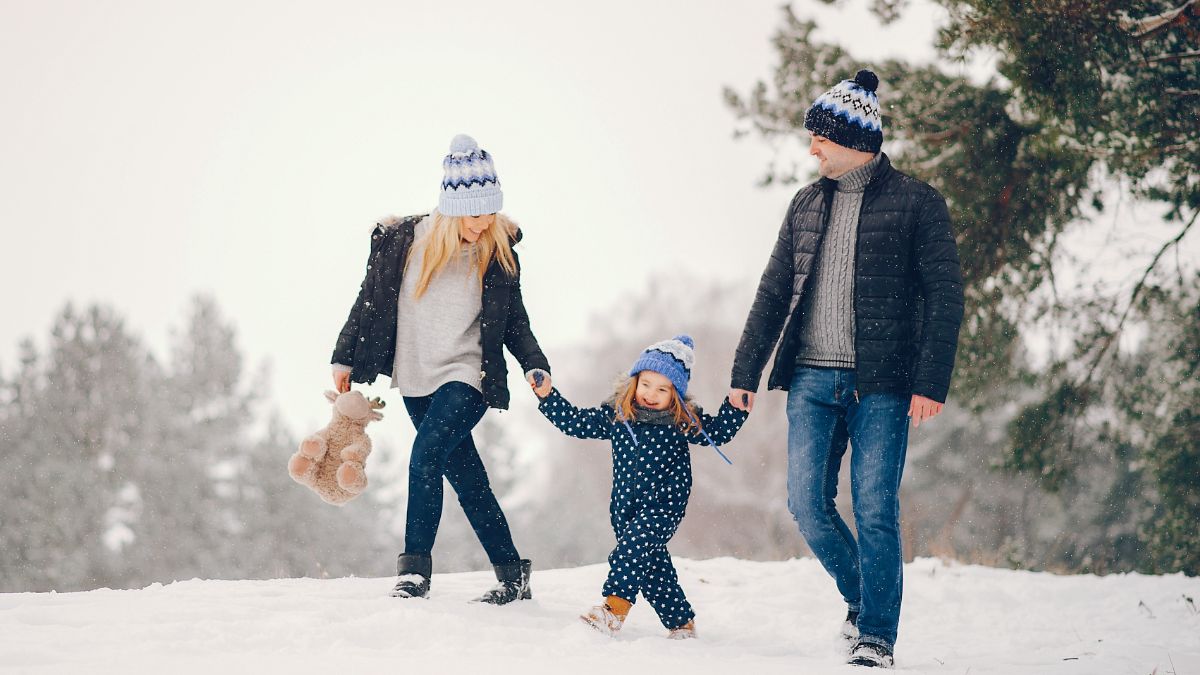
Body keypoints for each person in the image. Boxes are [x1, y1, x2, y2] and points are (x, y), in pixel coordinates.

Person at [728, 70, 965, 668]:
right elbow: (774, 289)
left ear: (852, 139)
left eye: (818, 139)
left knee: (875, 509)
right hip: (811, 379)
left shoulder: (917, 202)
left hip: (881, 384)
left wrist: (930, 382)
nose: (811, 149)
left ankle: (877, 635)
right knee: (806, 504)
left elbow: (945, 295)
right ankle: (863, 598)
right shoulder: (806, 203)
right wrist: (744, 373)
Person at [330, 134, 553, 604]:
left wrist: (535, 364)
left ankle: (414, 571)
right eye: (475, 214)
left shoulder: (498, 250)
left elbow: (516, 322)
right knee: (467, 477)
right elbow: (366, 303)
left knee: (425, 456)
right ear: (451, 209)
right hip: (415, 378)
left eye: (491, 211)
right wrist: (343, 355)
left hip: (467, 374)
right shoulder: (402, 244)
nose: (484, 222)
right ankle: (513, 575)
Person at [531, 335, 748, 639]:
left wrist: (736, 407)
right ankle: (681, 623)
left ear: (675, 393)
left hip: (665, 504)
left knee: (632, 551)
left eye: (662, 389)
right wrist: (547, 395)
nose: (651, 393)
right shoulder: (618, 416)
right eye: (646, 384)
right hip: (624, 507)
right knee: (651, 566)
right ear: (635, 381)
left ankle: (613, 610)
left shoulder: (681, 420)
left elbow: (718, 432)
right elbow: (574, 422)